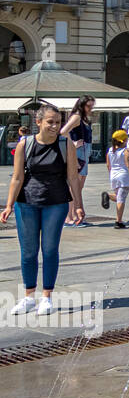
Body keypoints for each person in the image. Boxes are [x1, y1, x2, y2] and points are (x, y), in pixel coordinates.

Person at [2, 104, 85, 315]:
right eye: (50, 122)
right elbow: (17, 177)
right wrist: (9, 204)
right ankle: (29, 296)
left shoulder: (66, 145)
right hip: (26, 202)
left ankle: (46, 296)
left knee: (49, 250)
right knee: (28, 251)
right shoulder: (25, 144)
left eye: (57, 122)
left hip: (56, 202)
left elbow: (73, 177)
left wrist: (78, 205)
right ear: (38, 122)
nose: (55, 126)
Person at [60, 95, 95, 227]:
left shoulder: (83, 118)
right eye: (88, 106)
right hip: (79, 154)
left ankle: (76, 214)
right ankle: (69, 217)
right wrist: (73, 144)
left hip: (84, 153)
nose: (90, 108)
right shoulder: (77, 117)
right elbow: (63, 131)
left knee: (78, 187)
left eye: (92, 106)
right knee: (74, 187)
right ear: (82, 105)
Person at [105, 129, 129, 228]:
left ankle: (108, 196)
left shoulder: (110, 150)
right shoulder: (126, 151)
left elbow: (108, 165)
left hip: (114, 176)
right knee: (121, 199)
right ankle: (119, 221)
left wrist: (111, 175)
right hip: (124, 176)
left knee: (118, 196)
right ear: (124, 140)